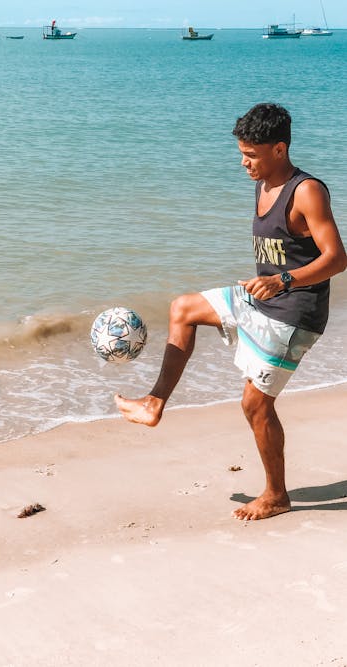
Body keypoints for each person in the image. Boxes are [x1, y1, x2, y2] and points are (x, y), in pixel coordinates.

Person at [115, 102, 347, 521]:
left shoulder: (307, 191)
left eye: (252, 155)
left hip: (294, 314)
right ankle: (153, 403)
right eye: (241, 153)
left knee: (255, 406)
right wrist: (269, 283)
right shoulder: (261, 183)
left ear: (279, 149)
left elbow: (336, 258)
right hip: (260, 298)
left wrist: (283, 280)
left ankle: (276, 494)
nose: (244, 163)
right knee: (182, 308)